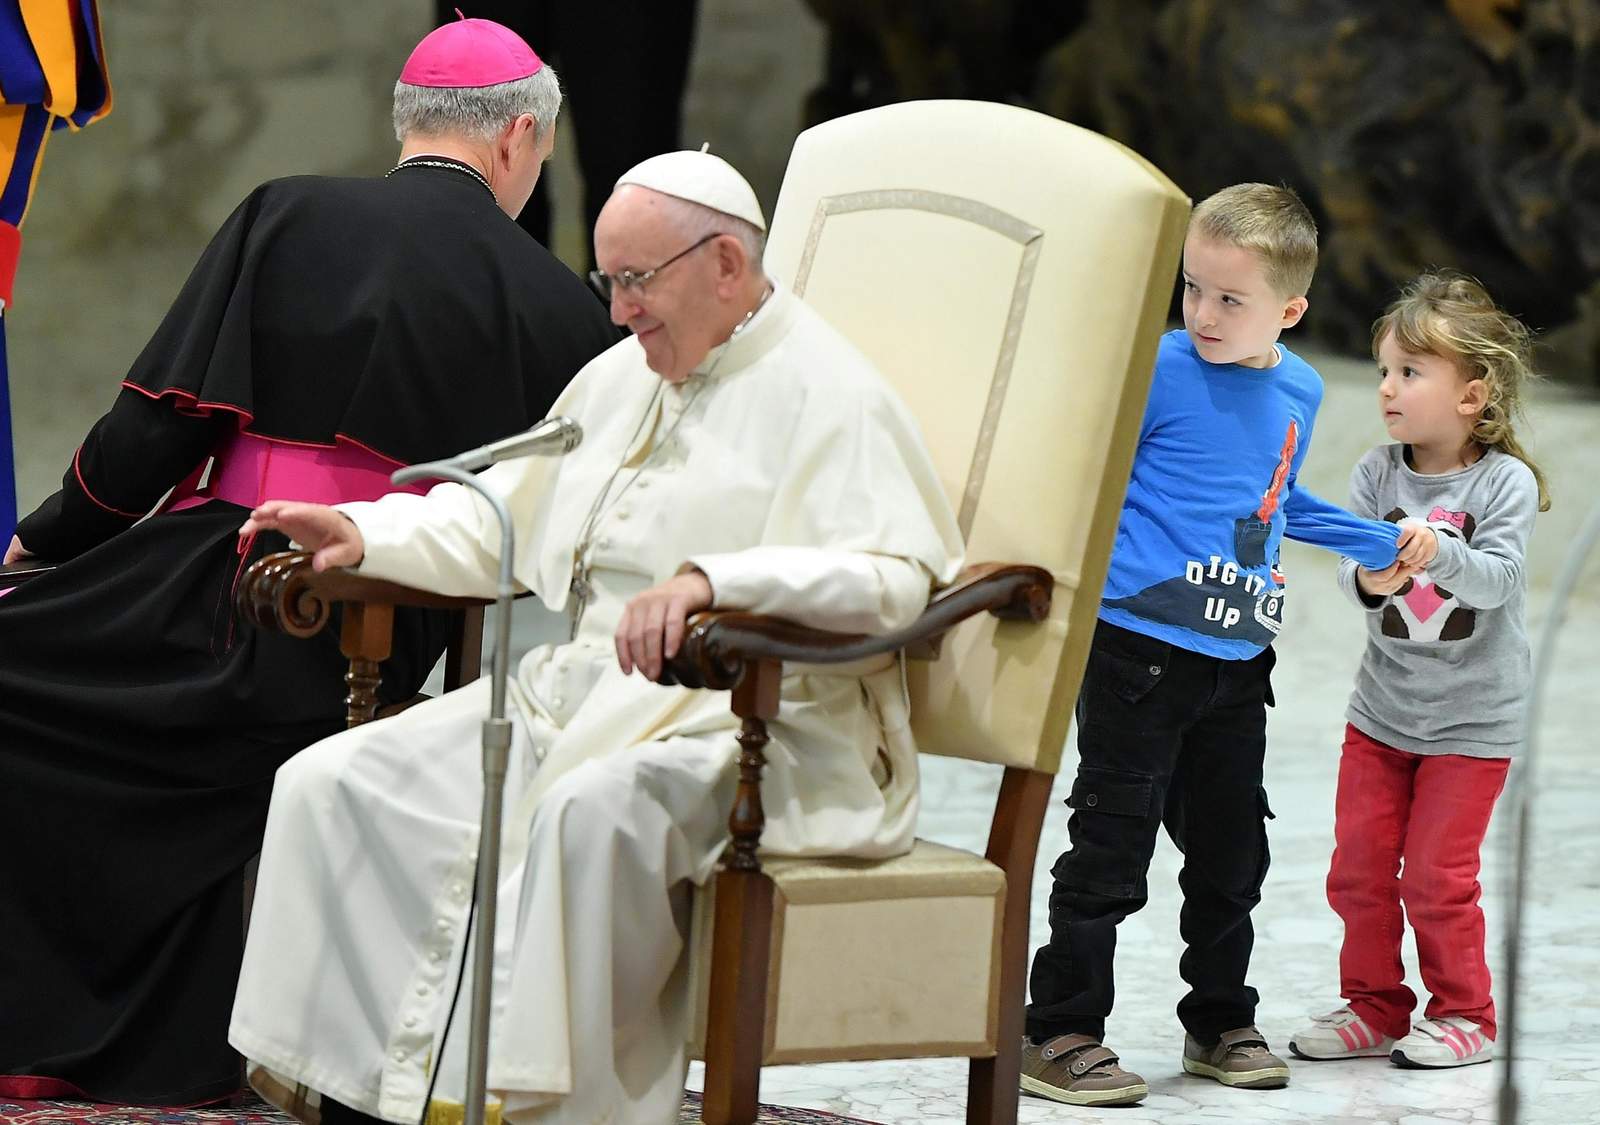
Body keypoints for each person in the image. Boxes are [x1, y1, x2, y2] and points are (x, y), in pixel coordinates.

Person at [227, 150, 964, 1125]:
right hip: (581, 696)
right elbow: (506, 520)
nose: (617, 310)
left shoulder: (832, 395)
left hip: (756, 731)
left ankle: (564, 1112)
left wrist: (717, 583)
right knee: (329, 783)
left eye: (636, 280)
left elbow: (894, 581)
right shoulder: (620, 379)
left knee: (588, 812)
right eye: (606, 280)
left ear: (726, 266)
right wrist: (367, 532)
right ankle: (374, 1100)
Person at [0, 17, 616, 1108]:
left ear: (405, 122)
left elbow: (150, 431)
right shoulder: (562, 303)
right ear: (524, 136)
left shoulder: (287, 212)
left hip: (221, 575)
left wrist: (44, 542)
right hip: (385, 618)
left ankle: (60, 1025)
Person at [1018, 183, 1434, 1107]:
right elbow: (1083, 469)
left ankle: (1218, 1020)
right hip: (1138, 654)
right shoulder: (1155, 369)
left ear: (1290, 309)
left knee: (1231, 855)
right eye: (1192, 288)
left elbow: (1272, 501)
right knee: (1109, 850)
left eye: (1230, 298)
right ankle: (1059, 1028)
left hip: (1240, 660)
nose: (1203, 312)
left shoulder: (1301, 386)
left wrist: (1382, 540)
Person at [1288, 272, 1548, 1069]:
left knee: (1436, 874)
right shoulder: (1377, 471)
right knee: (1358, 866)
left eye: (1410, 372)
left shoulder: (1504, 481)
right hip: (1382, 714)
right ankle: (1373, 1003)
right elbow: (1350, 572)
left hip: (1473, 722)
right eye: (1383, 373)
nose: (1389, 389)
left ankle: (1467, 1012)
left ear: (1473, 394)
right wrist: (1372, 577)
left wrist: (1441, 551)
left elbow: (1500, 580)